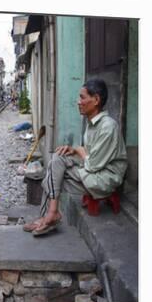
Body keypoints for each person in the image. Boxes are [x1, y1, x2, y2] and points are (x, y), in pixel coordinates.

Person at [24, 78, 128, 236]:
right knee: (57, 160)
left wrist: (79, 150)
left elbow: (93, 164)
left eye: (82, 97)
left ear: (96, 100)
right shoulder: (92, 123)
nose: (78, 102)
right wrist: (73, 150)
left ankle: (50, 215)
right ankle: (50, 215)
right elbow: (92, 154)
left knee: (53, 175)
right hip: (94, 170)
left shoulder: (108, 127)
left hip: (105, 177)